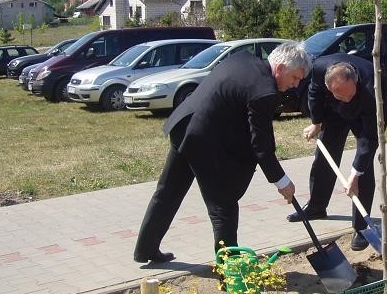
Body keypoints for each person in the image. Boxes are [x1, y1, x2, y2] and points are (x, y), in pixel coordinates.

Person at [133, 42, 312, 263]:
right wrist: (282, 181)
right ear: (281, 67)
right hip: (202, 138)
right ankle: (229, 273)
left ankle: (145, 249)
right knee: (223, 207)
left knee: (167, 192)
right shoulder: (264, 91)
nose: (295, 85)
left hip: (184, 124)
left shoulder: (244, 59)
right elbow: (262, 146)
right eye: (295, 78)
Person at [286, 54, 380, 251]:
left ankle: (361, 226)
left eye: (348, 94)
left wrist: (355, 173)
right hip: (333, 114)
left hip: (363, 116)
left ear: (355, 82)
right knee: (324, 158)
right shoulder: (320, 68)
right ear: (329, 85)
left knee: (363, 167)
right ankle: (316, 207)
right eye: (338, 93)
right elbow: (314, 93)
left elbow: (370, 138)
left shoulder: (373, 86)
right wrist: (316, 122)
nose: (345, 98)